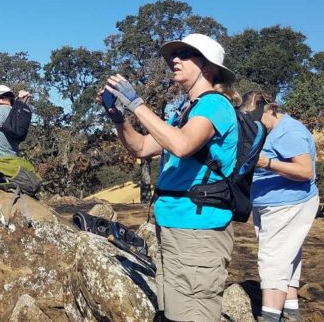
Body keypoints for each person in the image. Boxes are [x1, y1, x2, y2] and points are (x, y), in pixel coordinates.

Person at [102, 33, 239, 322]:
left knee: (194, 314)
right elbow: (141, 147)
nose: (175, 60)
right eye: (174, 55)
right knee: (173, 312)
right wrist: (118, 117)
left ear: (208, 67)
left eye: (185, 54)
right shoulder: (183, 113)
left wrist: (136, 103)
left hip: (198, 228)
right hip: (173, 222)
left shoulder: (215, 105)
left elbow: (182, 144)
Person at [241, 91, 319, 322]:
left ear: (272, 109)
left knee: (272, 259)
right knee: (287, 257)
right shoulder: (267, 130)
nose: (253, 124)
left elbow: (306, 171)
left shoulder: (290, 133)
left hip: (289, 203)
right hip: (271, 203)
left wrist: (268, 163)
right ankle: (291, 311)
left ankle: (270, 316)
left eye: (256, 118)